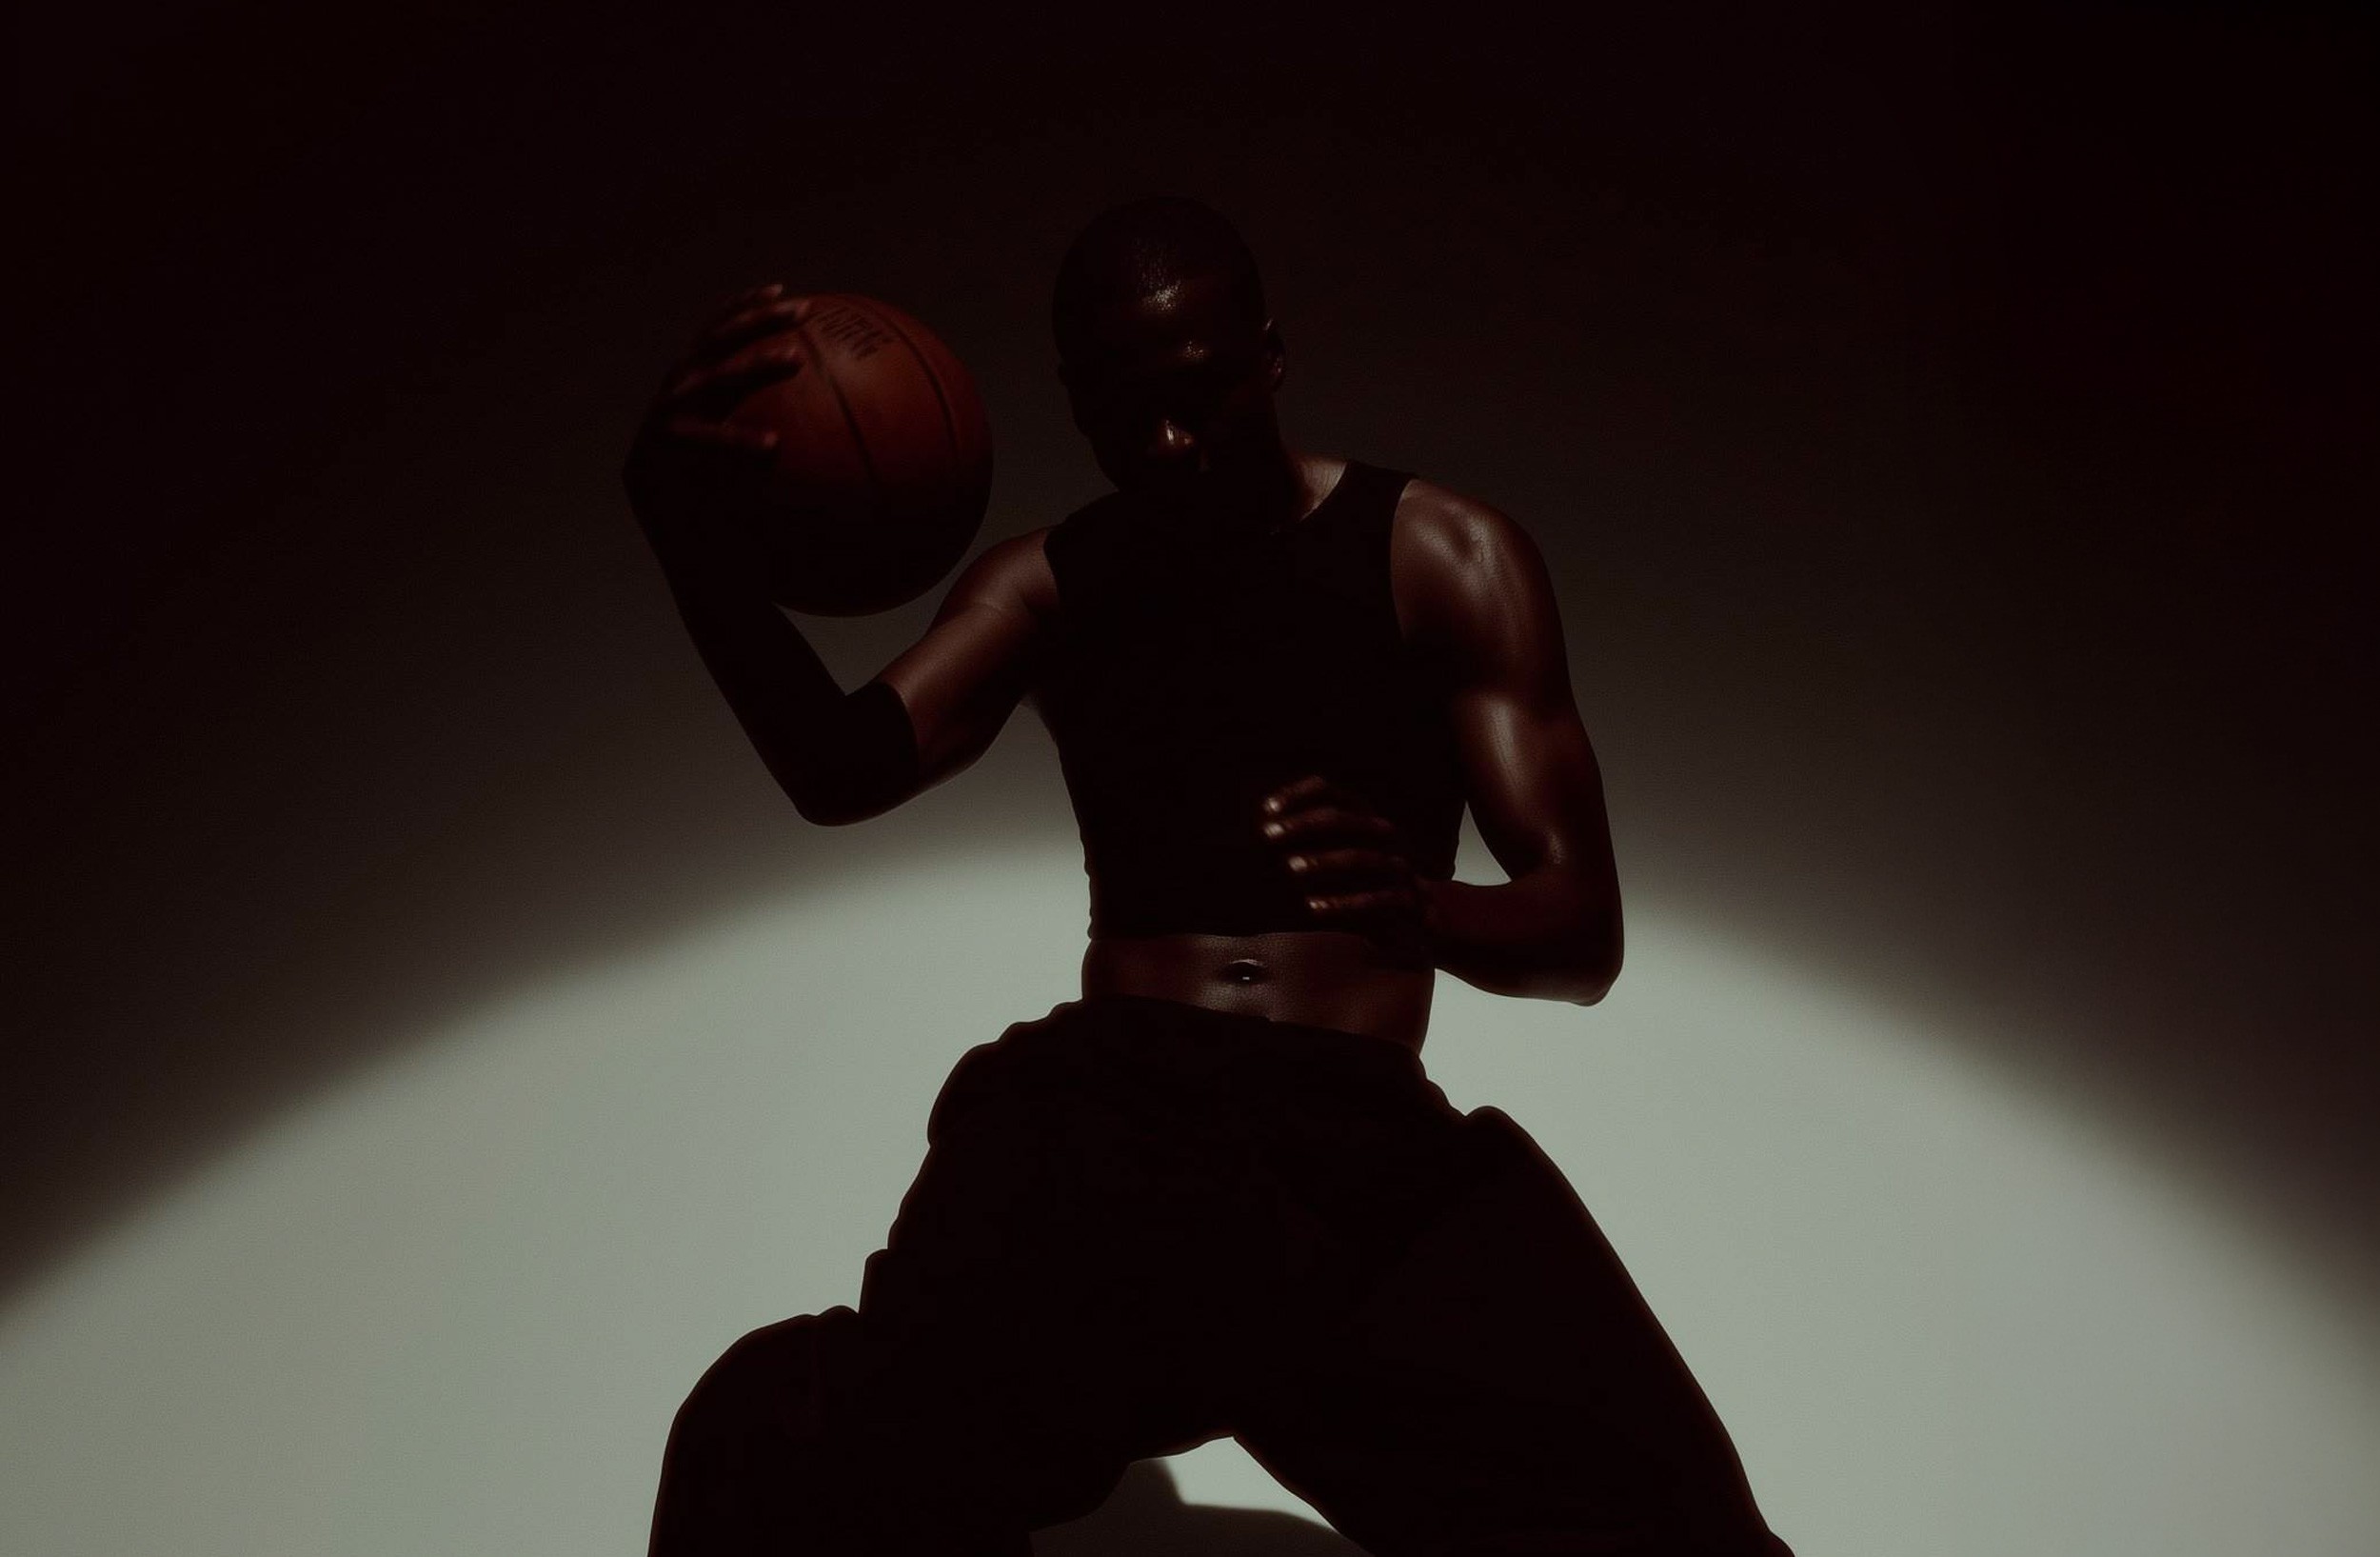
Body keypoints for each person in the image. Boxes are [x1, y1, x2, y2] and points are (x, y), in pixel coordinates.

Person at [625, 197, 1795, 1556]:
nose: (1171, 444)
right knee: (771, 1451)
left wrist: (1424, 910)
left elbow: (1580, 938)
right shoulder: (1047, 586)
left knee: (1684, 1531)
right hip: (1108, 1138)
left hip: (1348, 1150)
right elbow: (842, 767)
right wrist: (686, 540)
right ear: (1076, 404)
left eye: (1203, 397)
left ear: (1271, 356)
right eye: (1128, 417)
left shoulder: (1441, 554)